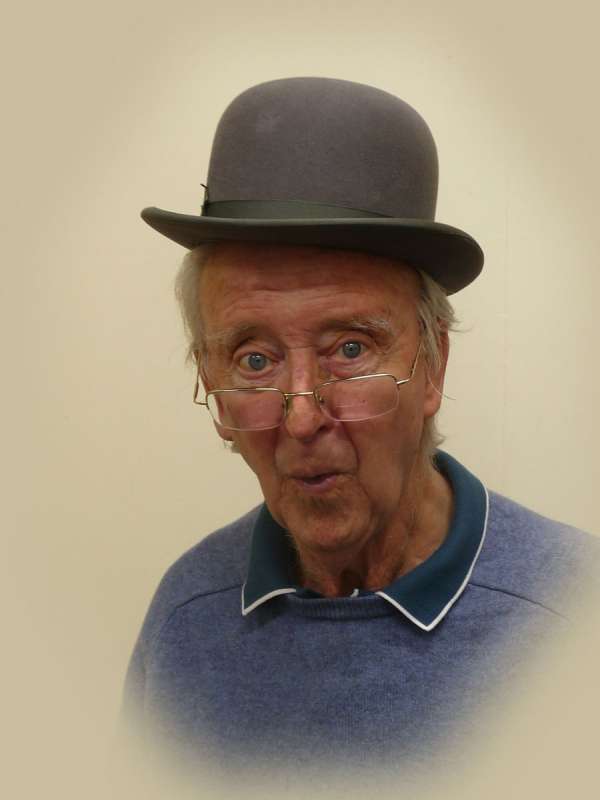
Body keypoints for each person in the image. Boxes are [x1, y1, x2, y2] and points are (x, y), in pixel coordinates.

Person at [121, 77, 597, 780]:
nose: (302, 417)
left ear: (433, 365)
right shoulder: (186, 619)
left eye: (350, 349)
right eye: (254, 360)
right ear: (211, 384)